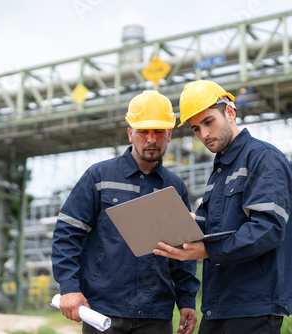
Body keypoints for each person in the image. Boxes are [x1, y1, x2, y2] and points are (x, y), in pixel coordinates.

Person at [153, 80, 292, 334]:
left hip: (254, 306)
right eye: (196, 128)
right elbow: (215, 225)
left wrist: (206, 250)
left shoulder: (264, 158)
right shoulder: (222, 169)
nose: (204, 134)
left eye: (209, 122)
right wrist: (184, 223)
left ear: (230, 112)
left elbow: (268, 229)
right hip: (220, 304)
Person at [51, 90, 200, 334]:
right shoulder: (99, 178)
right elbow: (67, 234)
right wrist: (69, 287)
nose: (151, 139)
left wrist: (186, 300)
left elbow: (182, 250)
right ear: (130, 133)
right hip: (104, 312)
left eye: (159, 131)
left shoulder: (175, 187)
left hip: (156, 315)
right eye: (143, 131)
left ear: (169, 134)